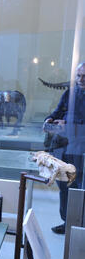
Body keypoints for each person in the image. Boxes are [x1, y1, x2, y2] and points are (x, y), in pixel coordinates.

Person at [44, 61, 85, 234]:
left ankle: (79, 224)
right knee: (64, 185)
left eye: (84, 76)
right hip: (64, 147)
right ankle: (67, 222)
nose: (80, 79)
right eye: (78, 75)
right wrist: (50, 120)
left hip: (81, 150)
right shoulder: (70, 93)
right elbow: (57, 112)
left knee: (78, 187)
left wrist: (67, 123)